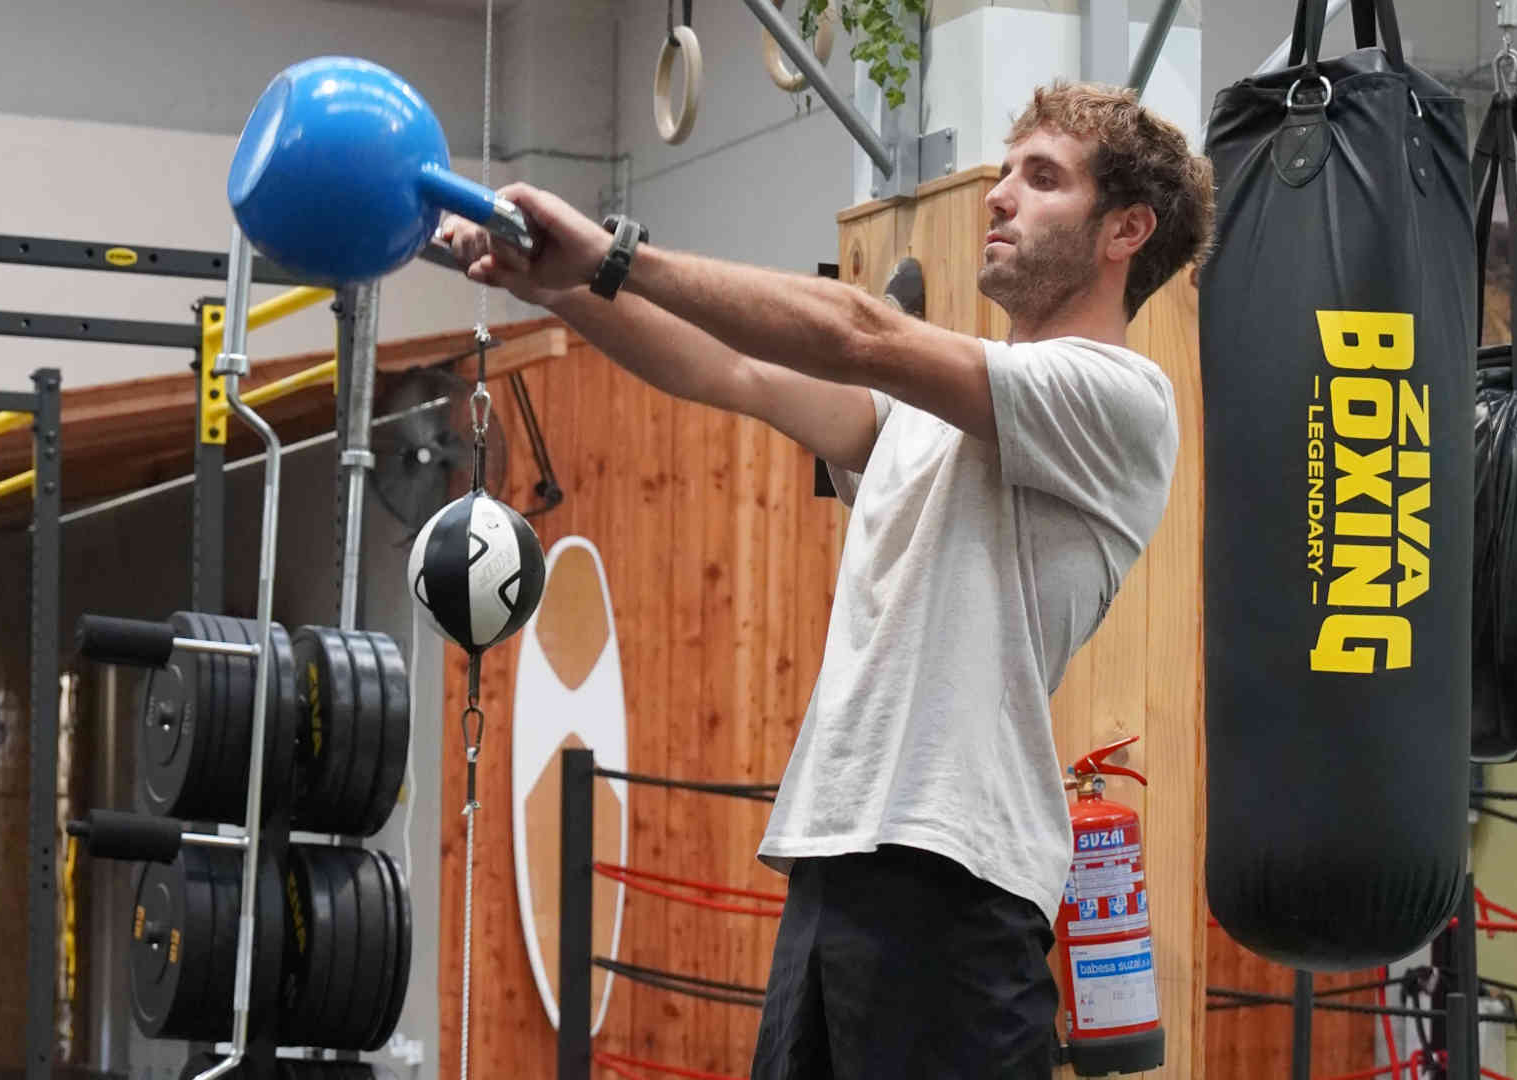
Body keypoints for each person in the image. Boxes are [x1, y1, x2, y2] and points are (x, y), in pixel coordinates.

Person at [442, 79, 1215, 1080]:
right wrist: (551, 287)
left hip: (955, 878)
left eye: (1042, 177)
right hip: (835, 870)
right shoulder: (928, 415)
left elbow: (861, 332)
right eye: (1007, 169)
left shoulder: (1122, 400)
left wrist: (615, 254)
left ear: (1127, 231)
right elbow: (733, 371)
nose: (998, 195)